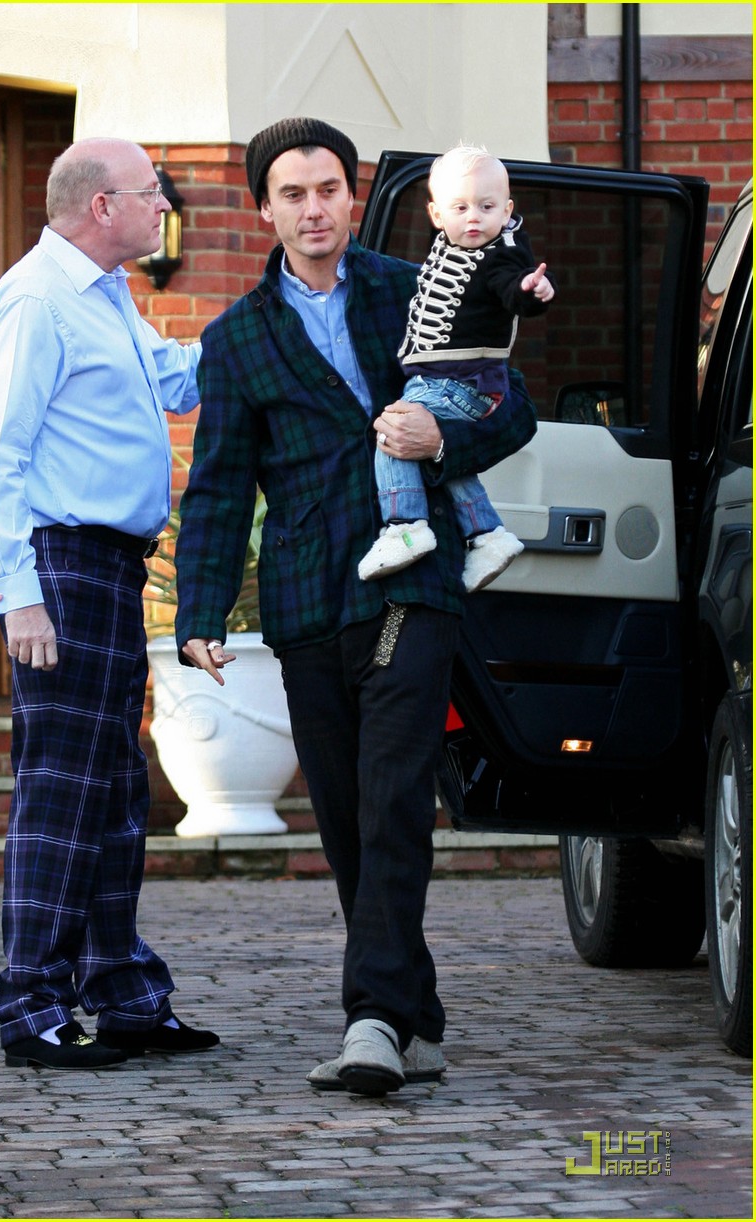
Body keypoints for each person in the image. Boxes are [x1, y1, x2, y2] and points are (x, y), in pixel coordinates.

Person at [174, 118, 537, 1096]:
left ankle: (372, 1018)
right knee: (344, 816)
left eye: (328, 189)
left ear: (353, 194)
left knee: (392, 797)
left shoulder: (419, 287)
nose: (314, 209)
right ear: (264, 208)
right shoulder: (236, 338)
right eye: (293, 194)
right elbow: (219, 485)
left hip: (413, 581)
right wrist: (200, 611)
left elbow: (511, 406)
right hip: (304, 598)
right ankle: (415, 1014)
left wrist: (439, 443)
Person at [0, 137, 219, 1070]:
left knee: (114, 790)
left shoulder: (105, 295)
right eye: (152, 193)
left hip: (109, 570)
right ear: (102, 206)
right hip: (60, 567)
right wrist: (17, 598)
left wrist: (269, 320)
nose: (164, 207)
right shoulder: (35, 301)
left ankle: (123, 996)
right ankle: (31, 1008)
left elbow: (176, 380)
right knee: (62, 790)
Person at [358, 144, 555, 590]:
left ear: (507, 210)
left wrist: (532, 290)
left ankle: (404, 527)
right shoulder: (446, 248)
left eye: (486, 207)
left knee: (393, 433)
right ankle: (488, 536)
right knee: (443, 458)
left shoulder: (502, 254)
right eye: (460, 207)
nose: (474, 218)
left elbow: (512, 286)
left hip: (461, 381)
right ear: (436, 214)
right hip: (446, 380)